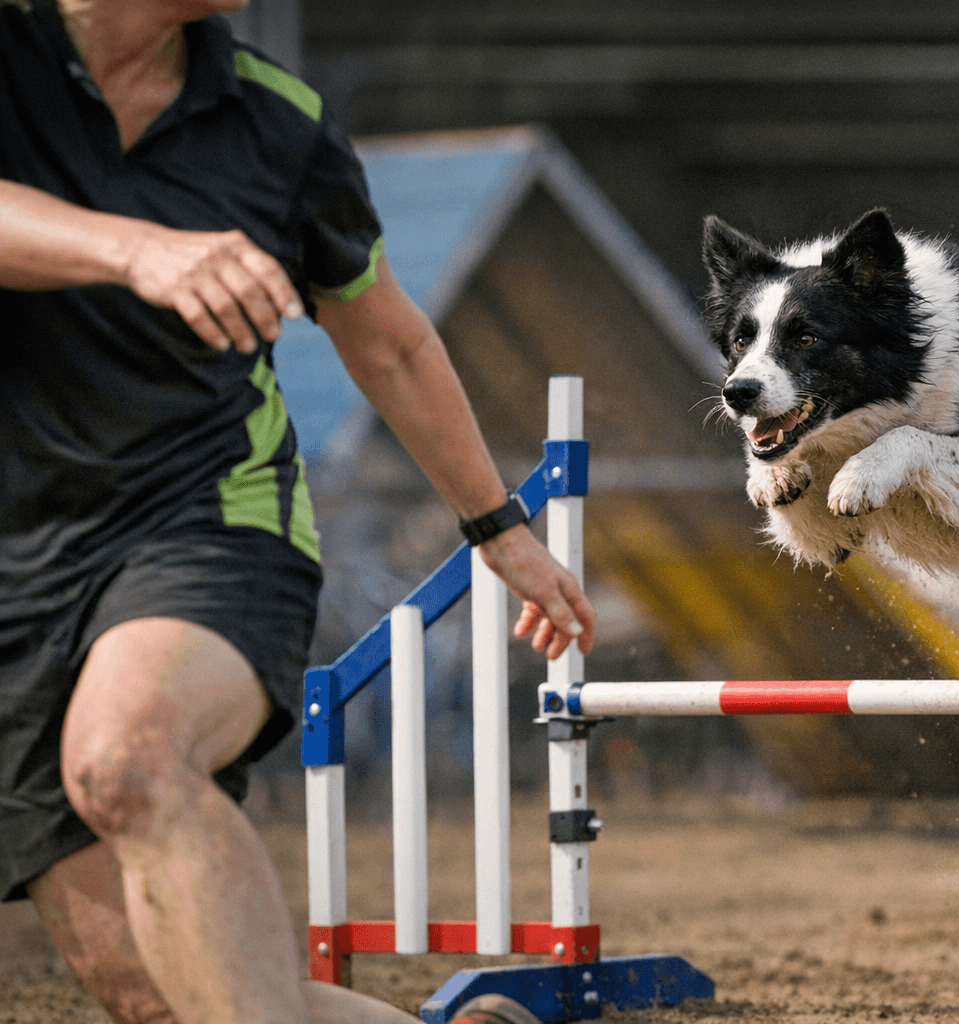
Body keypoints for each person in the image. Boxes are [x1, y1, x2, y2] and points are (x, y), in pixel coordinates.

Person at [0, 3, 596, 1024]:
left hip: (212, 520)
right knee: (157, 990)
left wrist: (501, 529)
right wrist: (137, 250)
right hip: (23, 563)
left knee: (126, 756)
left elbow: (393, 345)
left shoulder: (282, 125)